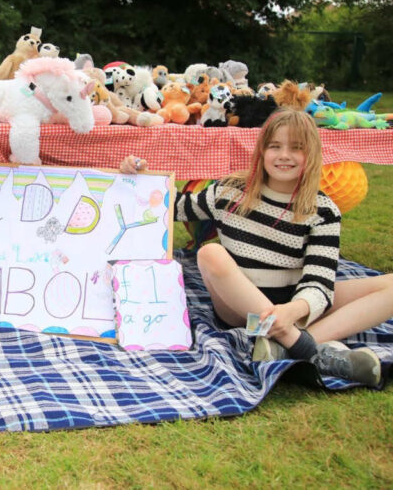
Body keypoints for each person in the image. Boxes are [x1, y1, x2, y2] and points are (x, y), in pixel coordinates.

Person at [120, 108, 393, 386]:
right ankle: (308, 350)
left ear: (311, 155)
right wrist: (138, 176)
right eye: (275, 146)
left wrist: (293, 311)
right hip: (240, 312)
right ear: (261, 151)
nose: (284, 155)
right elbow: (172, 206)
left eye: (296, 148)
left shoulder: (323, 210)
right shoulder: (229, 190)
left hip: (294, 305)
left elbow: (319, 281)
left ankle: (282, 344)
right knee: (210, 253)